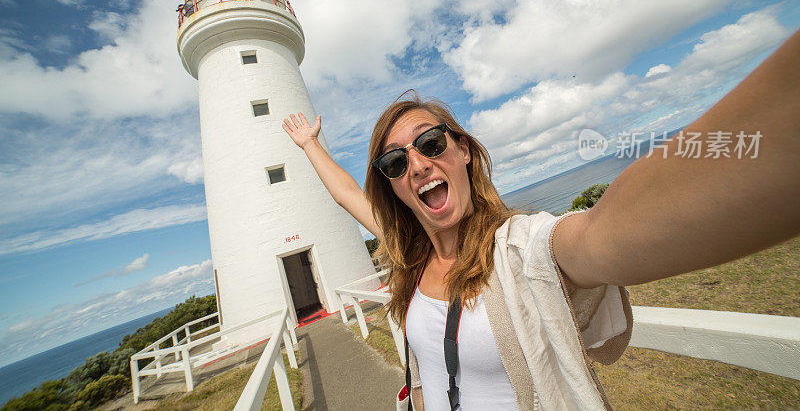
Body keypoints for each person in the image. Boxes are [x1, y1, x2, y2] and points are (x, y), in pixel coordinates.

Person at [282, 28, 800, 410]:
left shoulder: (521, 249)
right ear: (394, 187)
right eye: (397, 162)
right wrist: (309, 145)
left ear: (462, 150)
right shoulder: (414, 259)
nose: (417, 163)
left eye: (430, 143)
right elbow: (349, 194)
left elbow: (605, 231)